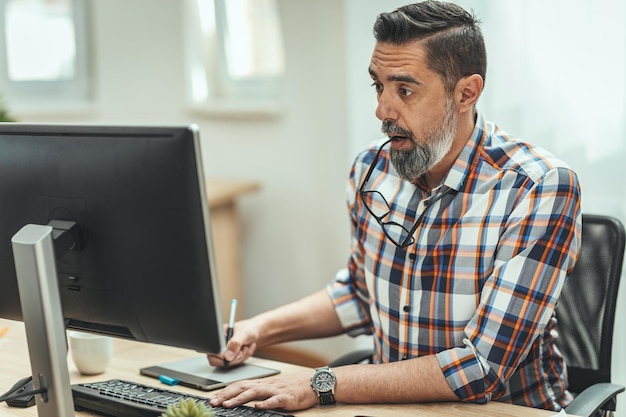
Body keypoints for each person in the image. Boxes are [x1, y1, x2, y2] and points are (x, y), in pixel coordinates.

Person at [208, 0, 581, 412]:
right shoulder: (373, 168)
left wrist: (320, 381)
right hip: (391, 406)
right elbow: (361, 294)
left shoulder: (538, 187)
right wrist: (257, 329)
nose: (382, 110)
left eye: (405, 90)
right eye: (378, 86)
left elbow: (480, 369)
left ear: (466, 93)